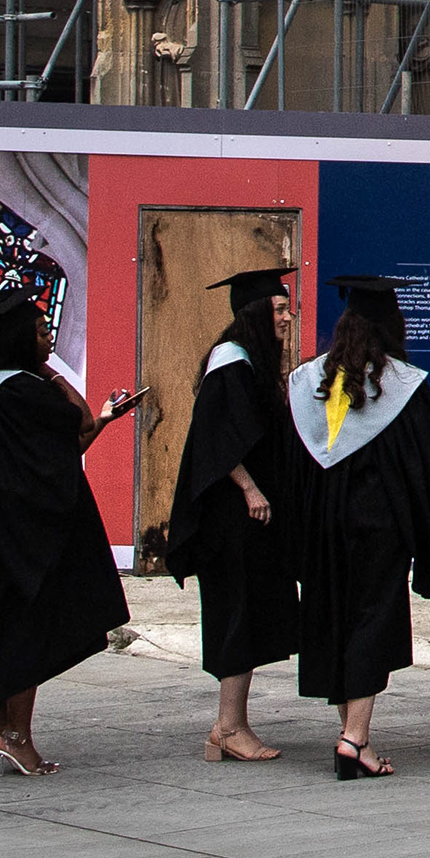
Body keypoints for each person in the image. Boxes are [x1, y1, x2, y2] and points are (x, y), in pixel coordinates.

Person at [0, 293, 138, 773]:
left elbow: (66, 443)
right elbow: (75, 417)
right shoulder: (21, 389)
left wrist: (103, 420)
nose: (49, 338)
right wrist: (53, 371)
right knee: (22, 636)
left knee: (12, 634)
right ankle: (15, 736)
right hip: (17, 546)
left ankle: (4, 730)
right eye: (40, 331)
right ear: (19, 339)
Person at [288, 275, 430, 778]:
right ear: (392, 325)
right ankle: (354, 739)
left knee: (335, 618)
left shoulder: (308, 380)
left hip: (321, 523)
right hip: (379, 525)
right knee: (369, 620)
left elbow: (294, 463)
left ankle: (349, 734)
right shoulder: (403, 386)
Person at [162, 266, 304, 762]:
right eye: (280, 309)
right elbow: (217, 437)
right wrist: (249, 488)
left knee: (248, 612)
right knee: (237, 614)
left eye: (287, 307)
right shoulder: (232, 363)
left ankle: (229, 725)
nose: (288, 315)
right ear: (256, 314)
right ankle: (228, 727)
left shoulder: (249, 363)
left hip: (248, 521)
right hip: (234, 519)